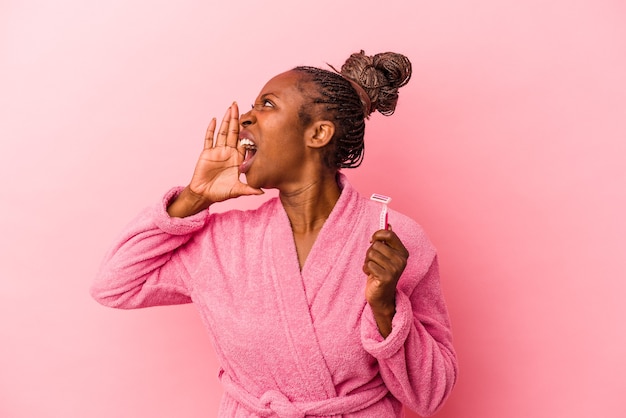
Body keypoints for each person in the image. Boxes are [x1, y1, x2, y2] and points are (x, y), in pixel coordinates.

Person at [91, 50, 457, 417]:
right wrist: (194, 197)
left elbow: (432, 394)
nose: (247, 116)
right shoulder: (222, 242)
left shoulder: (392, 239)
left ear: (317, 133)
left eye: (267, 104)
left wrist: (387, 308)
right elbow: (114, 285)